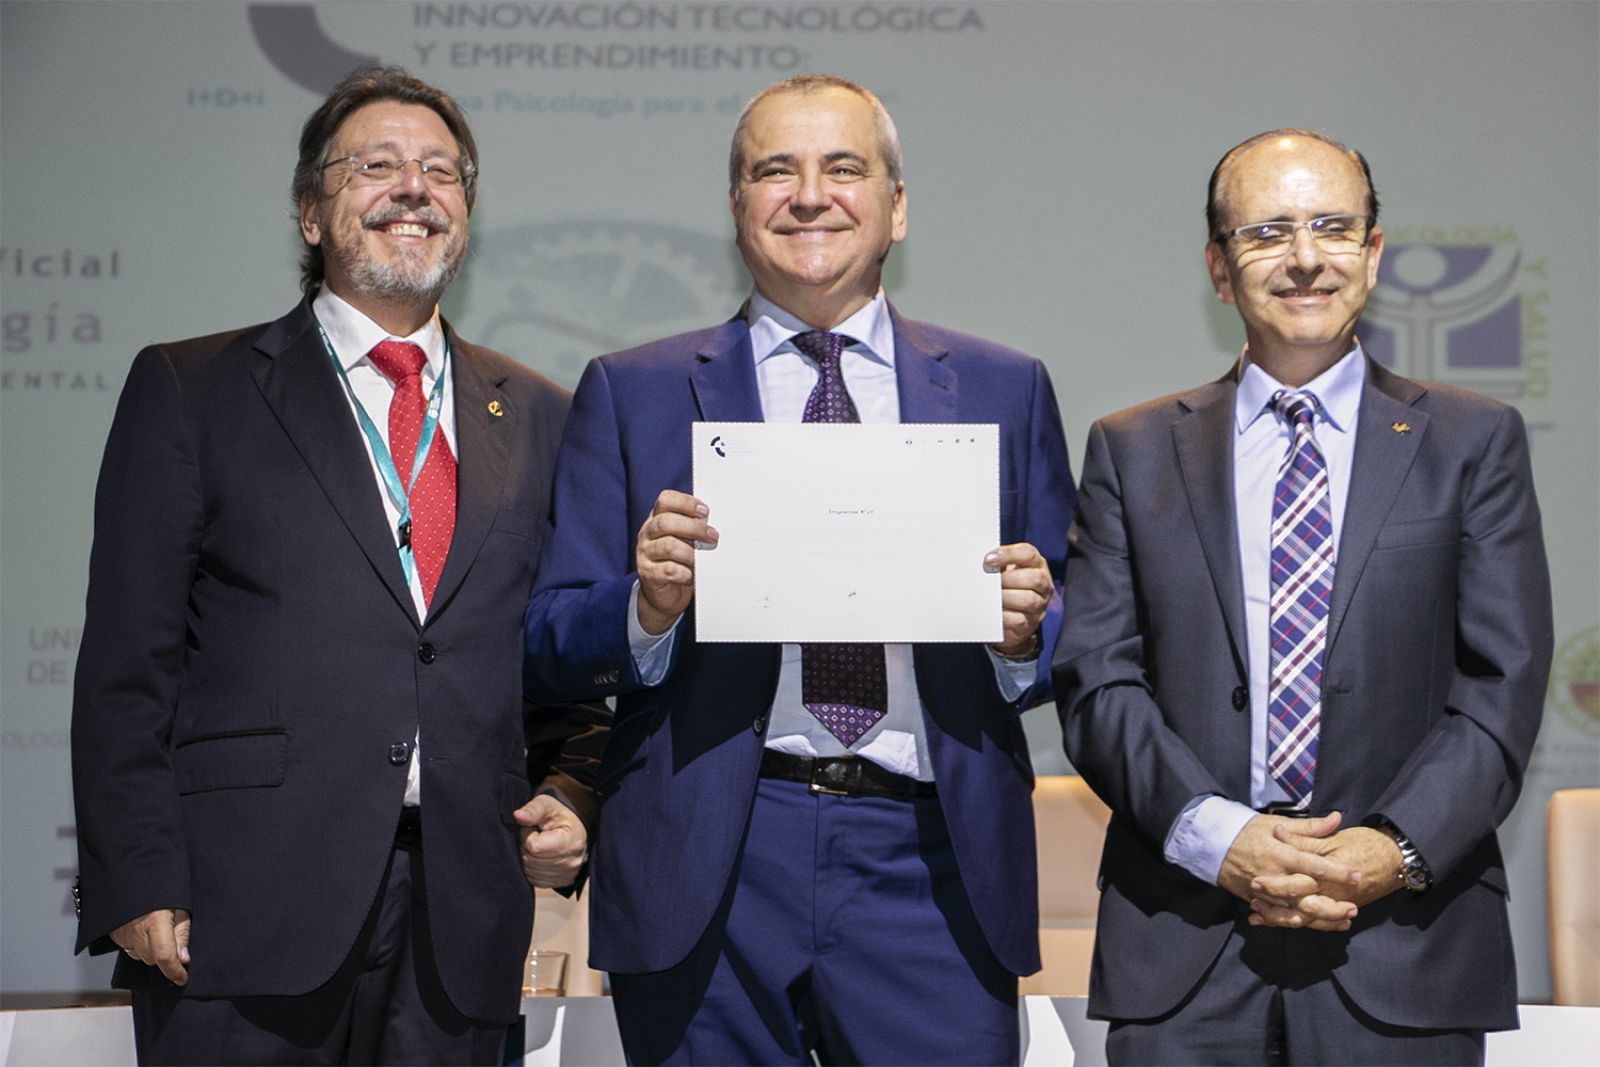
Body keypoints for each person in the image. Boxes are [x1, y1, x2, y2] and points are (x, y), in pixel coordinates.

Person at [523, 74, 1076, 1065]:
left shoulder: (1004, 385)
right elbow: (550, 635)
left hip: (931, 861)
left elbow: (1071, 624)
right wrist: (645, 606)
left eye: (843, 168)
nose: (808, 194)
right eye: (773, 171)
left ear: (896, 207)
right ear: (736, 209)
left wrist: (1023, 630)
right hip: (716, 859)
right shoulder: (631, 390)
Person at [70, 66, 607, 1065]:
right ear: (312, 211)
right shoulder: (193, 390)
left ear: (466, 213)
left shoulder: (539, 412)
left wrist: (576, 793)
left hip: (463, 919)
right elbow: (125, 667)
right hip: (240, 917)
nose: (414, 187)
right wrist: (136, 875)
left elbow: (564, 654)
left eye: (441, 171)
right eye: (377, 165)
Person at [1053, 128, 1553, 1065]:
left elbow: (1504, 684)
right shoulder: (1131, 448)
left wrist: (1388, 851)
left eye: (1333, 227)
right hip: (1185, 948)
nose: (1305, 258)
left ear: (1372, 253)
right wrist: (1222, 836)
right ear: (1217, 266)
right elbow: (1096, 682)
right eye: (1267, 232)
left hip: (1407, 945)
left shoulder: (1472, 441)